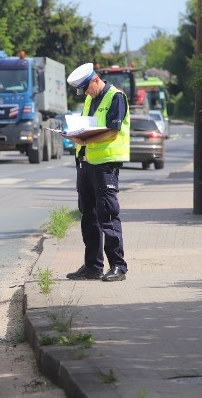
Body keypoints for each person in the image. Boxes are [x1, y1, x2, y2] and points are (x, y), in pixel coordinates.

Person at [64, 63, 130, 282]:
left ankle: (118, 266)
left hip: (105, 166)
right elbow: (88, 126)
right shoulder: (90, 99)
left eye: (86, 88)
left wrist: (84, 139)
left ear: (95, 80)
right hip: (86, 163)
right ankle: (93, 266)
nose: (85, 93)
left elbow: (112, 132)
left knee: (107, 215)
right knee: (88, 217)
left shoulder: (116, 97)